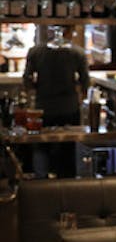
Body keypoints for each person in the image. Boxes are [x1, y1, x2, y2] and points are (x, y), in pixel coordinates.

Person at [23, 27, 89, 177]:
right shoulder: (77, 52)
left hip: (43, 105)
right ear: (69, 31)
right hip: (69, 106)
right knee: (67, 147)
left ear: (48, 31)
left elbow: (27, 78)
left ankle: (41, 182)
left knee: (41, 145)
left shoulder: (35, 51)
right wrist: (81, 96)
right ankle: (66, 185)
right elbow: (85, 80)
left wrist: (34, 90)